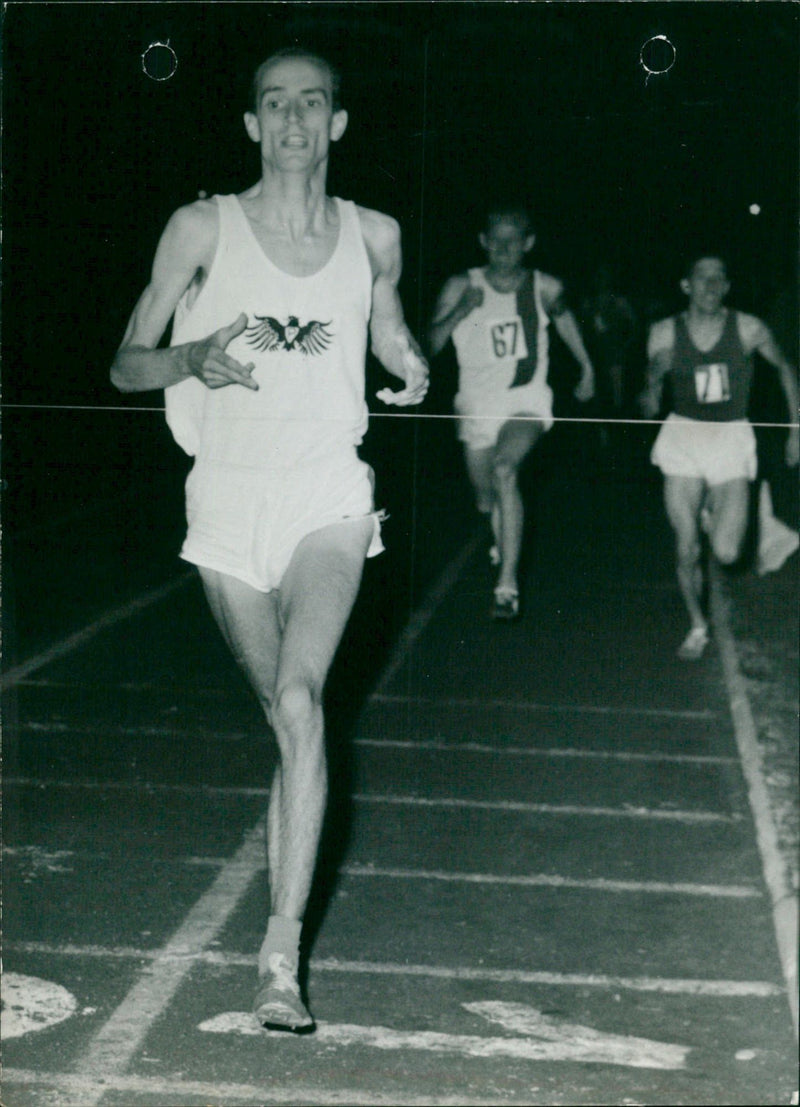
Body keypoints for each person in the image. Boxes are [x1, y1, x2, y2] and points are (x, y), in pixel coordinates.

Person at [110, 46, 429, 1032]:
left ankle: (279, 958)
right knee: (282, 725)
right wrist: (191, 357)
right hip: (228, 502)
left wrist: (410, 364)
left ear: (337, 124)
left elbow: (384, 328)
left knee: (302, 702)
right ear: (251, 124)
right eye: (273, 104)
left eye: (312, 104)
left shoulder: (374, 235)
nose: (293, 120)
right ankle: (280, 941)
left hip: (327, 492)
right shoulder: (201, 227)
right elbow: (125, 365)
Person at [428, 204, 594, 618]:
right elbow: (428, 346)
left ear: (528, 244)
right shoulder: (460, 284)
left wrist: (587, 366)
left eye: (513, 239)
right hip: (476, 404)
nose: (504, 247)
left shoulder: (544, 286)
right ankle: (498, 533)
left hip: (526, 399)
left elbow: (567, 319)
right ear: (483, 241)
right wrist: (461, 311)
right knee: (486, 501)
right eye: (495, 239)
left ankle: (507, 584)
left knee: (506, 470)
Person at [640, 254, 799, 659]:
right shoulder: (663, 332)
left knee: (727, 553)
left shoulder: (748, 328)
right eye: (702, 277)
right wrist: (652, 385)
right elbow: (648, 396)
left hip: (730, 436)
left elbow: (786, 369)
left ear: (727, 287)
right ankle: (697, 625)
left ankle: (718, 508)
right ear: (686, 285)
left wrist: (796, 430)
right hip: (683, 435)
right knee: (687, 547)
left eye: (719, 278)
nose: (711, 285)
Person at [580, 263, 639, 446]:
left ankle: (619, 432)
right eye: (599, 277)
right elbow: (582, 329)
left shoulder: (619, 301)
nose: (602, 281)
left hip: (615, 355)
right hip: (595, 356)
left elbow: (633, 325)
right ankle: (601, 432)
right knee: (596, 394)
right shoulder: (588, 302)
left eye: (605, 277)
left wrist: (626, 345)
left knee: (617, 395)